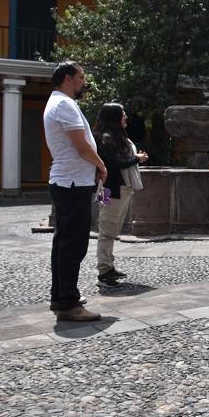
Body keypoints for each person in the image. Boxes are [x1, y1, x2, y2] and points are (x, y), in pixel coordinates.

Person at [44, 61, 106, 321]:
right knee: (72, 245)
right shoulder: (64, 105)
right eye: (80, 77)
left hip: (69, 182)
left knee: (64, 242)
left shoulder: (59, 102)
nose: (84, 82)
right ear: (68, 78)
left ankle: (61, 296)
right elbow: (81, 146)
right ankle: (68, 303)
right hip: (72, 183)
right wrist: (101, 165)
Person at [95, 103, 147, 286]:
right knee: (107, 229)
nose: (125, 117)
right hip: (111, 189)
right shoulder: (107, 138)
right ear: (114, 117)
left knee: (110, 229)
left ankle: (108, 267)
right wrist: (136, 158)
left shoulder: (113, 137)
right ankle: (104, 272)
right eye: (122, 114)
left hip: (113, 188)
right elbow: (115, 163)